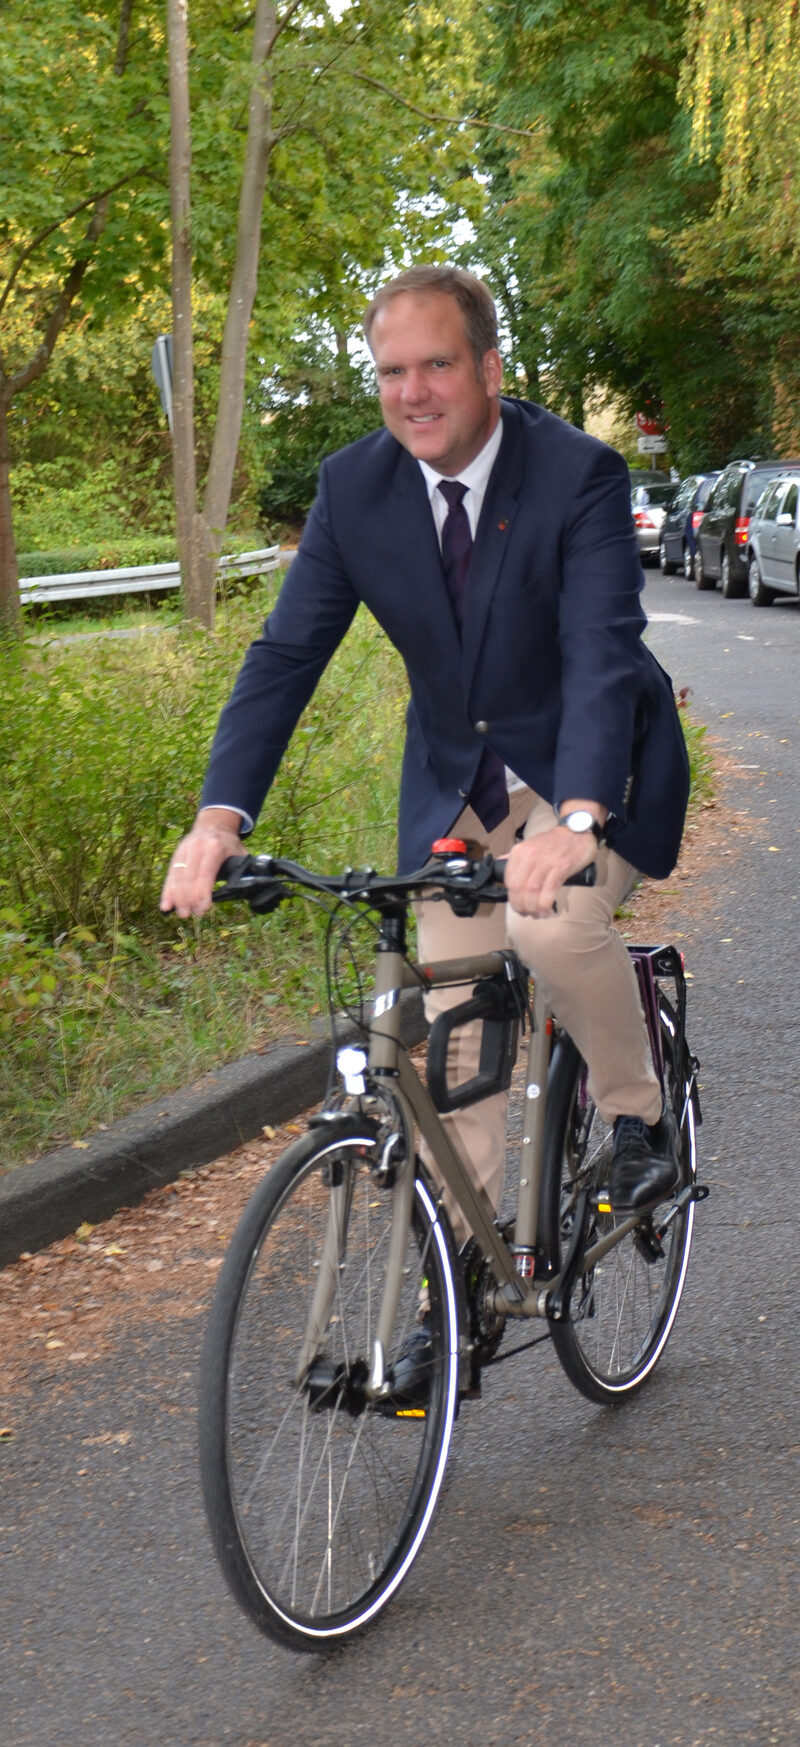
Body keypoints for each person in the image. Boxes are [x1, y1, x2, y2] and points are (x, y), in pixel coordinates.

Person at [161, 264, 690, 1239]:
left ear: (487, 367)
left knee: (547, 928)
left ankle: (637, 1115)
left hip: (591, 769)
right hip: (459, 792)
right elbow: (284, 658)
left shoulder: (575, 473)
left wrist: (574, 819)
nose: (412, 392)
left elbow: (601, 656)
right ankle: (454, 1300)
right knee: (453, 1027)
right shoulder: (353, 489)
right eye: (390, 370)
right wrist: (217, 817)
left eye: (435, 364)